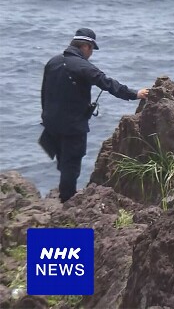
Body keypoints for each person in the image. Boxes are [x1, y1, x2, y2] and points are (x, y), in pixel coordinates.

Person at [40, 28, 149, 203]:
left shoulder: (53, 62)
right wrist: (135, 94)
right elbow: (107, 83)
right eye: (91, 49)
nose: (91, 54)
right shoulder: (83, 66)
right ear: (86, 46)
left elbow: (44, 92)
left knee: (63, 162)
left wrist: (46, 116)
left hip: (51, 122)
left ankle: (64, 194)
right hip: (72, 126)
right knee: (71, 165)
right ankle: (67, 203)